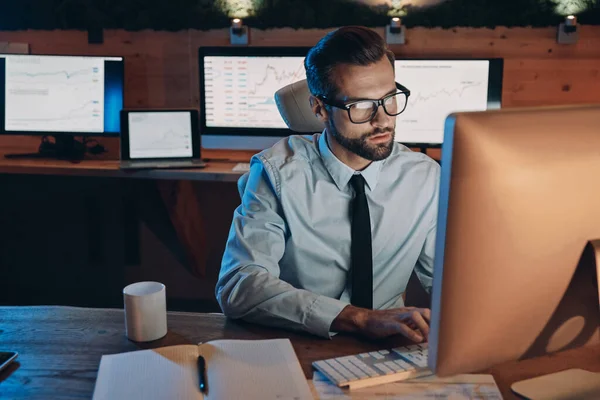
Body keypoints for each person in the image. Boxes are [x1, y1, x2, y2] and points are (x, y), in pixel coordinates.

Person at [216, 26, 440, 342]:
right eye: (361, 105)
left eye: (389, 98)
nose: (383, 120)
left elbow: (447, 281)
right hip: (305, 340)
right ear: (320, 109)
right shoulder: (275, 173)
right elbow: (239, 286)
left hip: (392, 345)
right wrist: (360, 319)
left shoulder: (424, 177)